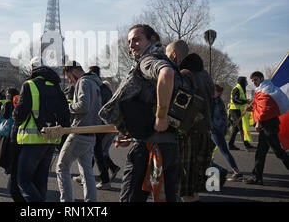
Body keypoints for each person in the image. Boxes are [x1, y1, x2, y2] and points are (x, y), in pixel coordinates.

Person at [99, 24, 178, 202]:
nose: (131, 45)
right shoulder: (164, 58)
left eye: (136, 39)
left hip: (150, 148)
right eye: (129, 41)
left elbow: (166, 74)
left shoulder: (148, 60)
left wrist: (161, 116)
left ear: (152, 39)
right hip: (170, 146)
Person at [13, 57, 70, 202]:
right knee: (40, 181)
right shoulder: (55, 86)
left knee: (23, 180)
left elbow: (19, 114)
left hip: (32, 140)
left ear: (32, 69)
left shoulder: (29, 85)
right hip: (51, 139)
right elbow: (65, 113)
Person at [166, 39, 214, 202]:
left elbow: (178, 112)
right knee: (192, 188)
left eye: (167, 56)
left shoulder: (184, 74)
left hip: (189, 135)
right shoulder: (206, 75)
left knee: (185, 189)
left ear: (173, 54)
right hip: (204, 133)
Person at [55, 60, 102, 202]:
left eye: (69, 77)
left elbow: (83, 106)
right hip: (91, 133)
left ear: (74, 71)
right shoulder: (95, 83)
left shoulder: (83, 82)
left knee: (62, 167)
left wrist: (66, 108)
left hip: (79, 132)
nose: (71, 81)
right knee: (86, 172)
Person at [243, 71, 289, 185]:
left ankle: (257, 177)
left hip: (269, 126)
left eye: (256, 80)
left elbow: (265, 110)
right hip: (267, 126)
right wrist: (252, 108)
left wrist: (258, 122)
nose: (254, 82)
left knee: (278, 152)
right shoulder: (262, 90)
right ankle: (257, 177)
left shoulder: (266, 91)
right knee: (261, 152)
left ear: (262, 78)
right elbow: (261, 107)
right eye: (252, 80)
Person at [210, 84, 242, 183]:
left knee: (224, 151)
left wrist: (215, 128)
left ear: (218, 92)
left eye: (213, 90)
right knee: (207, 152)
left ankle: (236, 172)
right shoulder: (218, 101)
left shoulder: (215, 102)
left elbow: (217, 118)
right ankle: (211, 168)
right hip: (217, 130)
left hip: (215, 131)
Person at [228, 76, 255, 151]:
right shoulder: (237, 88)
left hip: (238, 110)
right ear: (242, 81)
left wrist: (246, 101)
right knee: (242, 128)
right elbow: (235, 100)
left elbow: (239, 99)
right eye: (245, 81)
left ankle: (231, 144)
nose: (246, 82)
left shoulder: (241, 88)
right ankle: (247, 145)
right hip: (235, 110)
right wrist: (245, 101)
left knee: (236, 128)